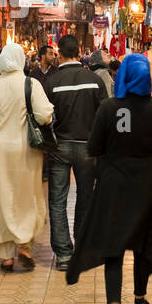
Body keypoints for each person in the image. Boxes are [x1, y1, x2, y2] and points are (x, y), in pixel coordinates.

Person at [66, 53, 152, 304]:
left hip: (114, 184)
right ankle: (139, 300)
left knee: (114, 248)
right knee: (142, 243)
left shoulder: (109, 108)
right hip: (147, 183)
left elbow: (94, 146)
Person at [0, 43, 54, 271]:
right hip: (25, 150)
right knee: (26, 196)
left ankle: (6, 255)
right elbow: (45, 115)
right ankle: (24, 246)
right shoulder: (31, 84)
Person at [43, 34, 107, 271]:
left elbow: (44, 117)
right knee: (86, 198)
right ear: (79, 53)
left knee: (57, 201)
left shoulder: (51, 82)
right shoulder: (94, 80)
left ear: (59, 54)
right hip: (88, 147)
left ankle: (63, 255)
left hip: (60, 146)